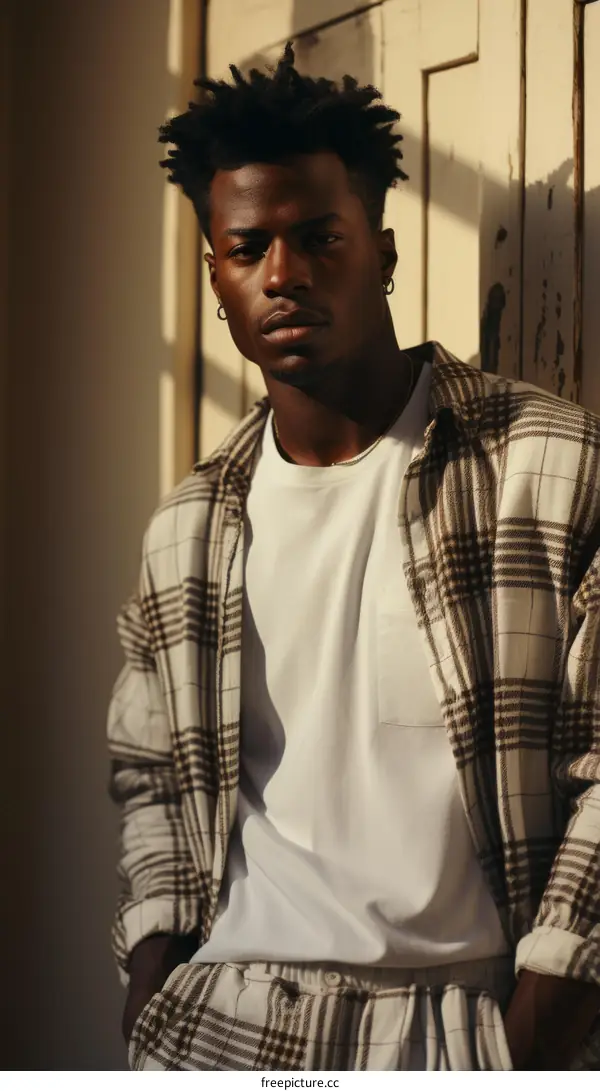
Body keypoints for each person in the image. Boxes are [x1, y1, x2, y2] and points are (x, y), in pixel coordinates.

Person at [108, 43, 600, 1071]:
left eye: (316, 238)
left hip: (455, 1027)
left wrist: (541, 1030)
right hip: (223, 1025)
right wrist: (154, 977)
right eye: (247, 249)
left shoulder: (545, 468)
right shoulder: (189, 528)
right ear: (215, 276)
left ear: (382, 252)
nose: (282, 274)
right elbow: (151, 772)